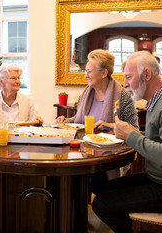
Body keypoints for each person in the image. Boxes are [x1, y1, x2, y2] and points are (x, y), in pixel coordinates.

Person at [92, 51, 162, 233]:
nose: (125, 83)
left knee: (102, 204)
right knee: (100, 186)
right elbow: (159, 138)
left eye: (129, 77)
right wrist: (124, 132)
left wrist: (131, 136)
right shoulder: (160, 100)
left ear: (146, 74)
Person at [56, 49, 139, 191]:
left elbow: (134, 130)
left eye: (89, 71)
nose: (86, 75)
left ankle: (101, 205)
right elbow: (78, 120)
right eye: (85, 71)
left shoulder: (123, 96)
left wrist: (111, 126)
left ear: (104, 73)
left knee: (94, 180)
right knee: (64, 175)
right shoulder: (86, 93)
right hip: (82, 152)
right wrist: (67, 121)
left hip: (108, 157)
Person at [0, 64, 43, 128]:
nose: (18, 82)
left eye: (19, 78)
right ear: (1, 82)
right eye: (14, 78)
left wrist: (38, 122)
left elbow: (34, 124)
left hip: (22, 137)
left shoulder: (28, 101)